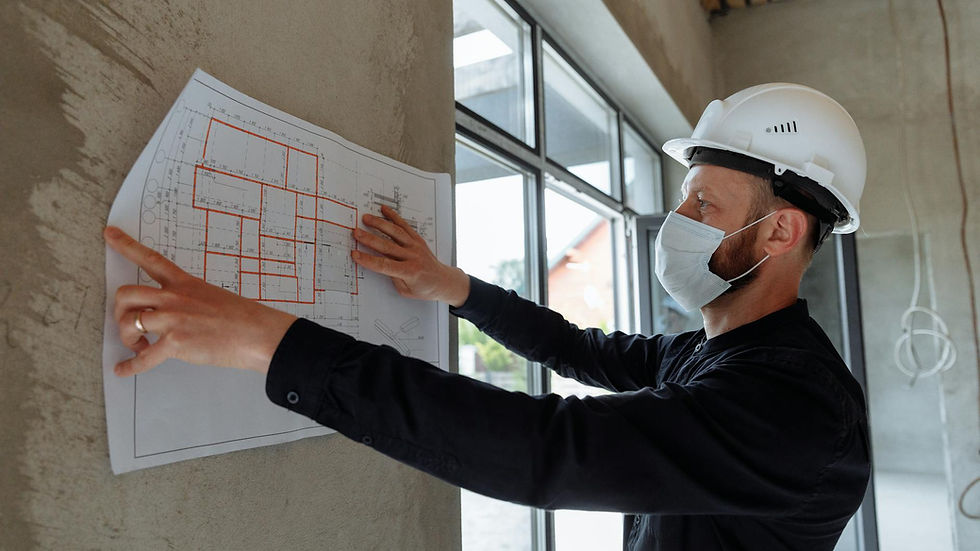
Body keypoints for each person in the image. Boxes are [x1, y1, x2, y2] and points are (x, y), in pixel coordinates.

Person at [105, 83, 871, 550]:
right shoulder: (709, 354)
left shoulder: (795, 407)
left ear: (779, 231)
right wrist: (456, 286)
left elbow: (548, 450)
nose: (678, 218)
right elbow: (579, 348)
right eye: (683, 197)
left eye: (705, 203)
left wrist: (270, 342)